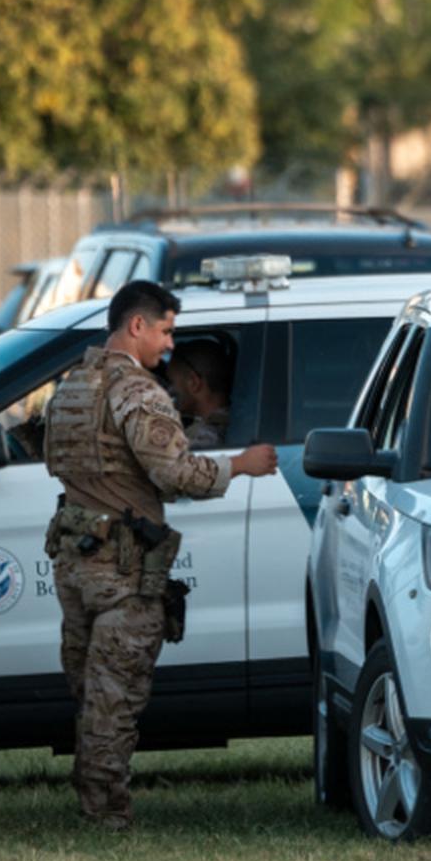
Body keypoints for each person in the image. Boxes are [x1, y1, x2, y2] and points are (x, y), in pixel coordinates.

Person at [41, 281, 277, 830]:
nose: (170, 345)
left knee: (91, 690)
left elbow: (61, 458)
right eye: (166, 331)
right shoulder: (138, 392)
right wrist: (240, 465)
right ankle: (106, 815)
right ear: (137, 326)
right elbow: (176, 475)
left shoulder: (72, 386)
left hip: (75, 559)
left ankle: (93, 803)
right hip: (123, 568)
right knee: (115, 697)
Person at [168, 337, 232, 449]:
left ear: (194, 382)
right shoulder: (231, 421)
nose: (168, 390)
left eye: (172, 382)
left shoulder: (207, 437)